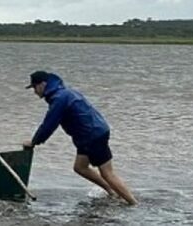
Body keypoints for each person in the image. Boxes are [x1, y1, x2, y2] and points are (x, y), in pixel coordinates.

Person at [22, 70, 138, 205]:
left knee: (107, 173)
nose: (35, 92)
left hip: (92, 136)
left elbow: (49, 124)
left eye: (35, 87)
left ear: (42, 84)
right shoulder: (64, 92)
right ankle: (112, 192)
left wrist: (34, 141)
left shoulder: (60, 98)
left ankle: (133, 203)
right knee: (80, 167)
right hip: (91, 134)